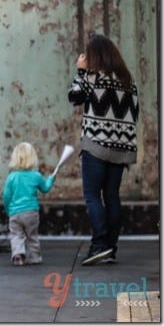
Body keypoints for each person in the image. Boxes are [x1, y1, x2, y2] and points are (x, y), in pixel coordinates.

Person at [68, 33, 138, 266]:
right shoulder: (128, 81)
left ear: (95, 55)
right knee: (112, 197)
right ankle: (111, 247)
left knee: (91, 195)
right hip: (121, 147)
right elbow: (134, 114)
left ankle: (99, 245)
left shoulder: (92, 77)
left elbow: (74, 97)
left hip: (96, 144)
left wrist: (80, 71)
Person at [1, 142, 55, 266]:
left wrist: (8, 209)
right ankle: (34, 257)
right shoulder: (36, 176)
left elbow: (6, 196)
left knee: (16, 235)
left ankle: (18, 254)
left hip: (15, 212)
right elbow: (45, 188)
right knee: (32, 235)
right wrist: (51, 179)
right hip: (31, 212)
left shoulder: (11, 177)